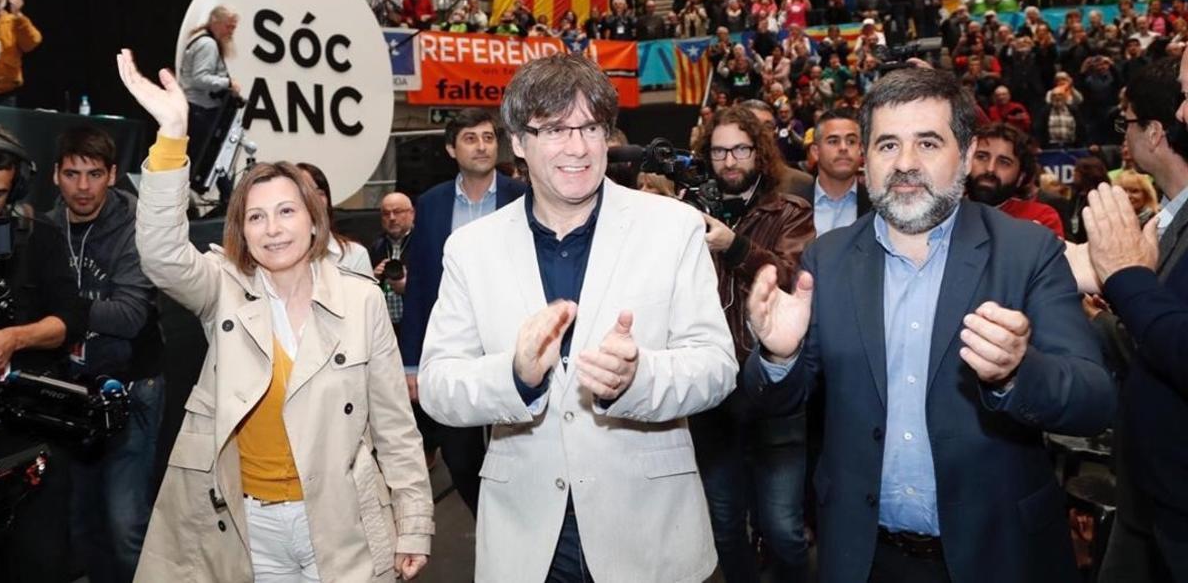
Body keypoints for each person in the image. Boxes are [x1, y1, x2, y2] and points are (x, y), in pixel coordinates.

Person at [743, 68, 1116, 583]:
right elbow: (774, 401)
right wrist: (779, 358)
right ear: (866, 162)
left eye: (928, 142)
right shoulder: (826, 259)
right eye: (887, 144)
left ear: (964, 156)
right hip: (864, 556)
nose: (905, 164)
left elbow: (1094, 400)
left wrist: (1016, 372)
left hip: (999, 552)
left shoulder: (1026, 251)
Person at [116, 49, 432, 581]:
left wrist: (415, 520)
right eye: (256, 217)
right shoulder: (223, 290)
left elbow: (395, 425)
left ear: (314, 220)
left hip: (341, 522)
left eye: (287, 211)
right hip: (247, 527)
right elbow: (162, 253)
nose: (273, 228)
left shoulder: (361, 300)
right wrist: (172, 134)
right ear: (241, 231)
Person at [418, 53, 737, 582]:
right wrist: (514, 376)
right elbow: (437, 385)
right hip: (526, 539)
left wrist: (639, 377)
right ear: (518, 142)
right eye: (555, 130)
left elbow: (716, 366)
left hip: (651, 534)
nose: (578, 147)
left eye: (591, 127)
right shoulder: (471, 249)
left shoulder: (673, 228)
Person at [689, 105, 814, 582]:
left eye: (740, 149)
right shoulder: (689, 210)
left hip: (772, 386)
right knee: (723, 523)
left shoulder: (790, 210)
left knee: (783, 528)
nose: (730, 161)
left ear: (759, 153)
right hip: (712, 392)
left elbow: (793, 278)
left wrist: (733, 246)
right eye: (719, 151)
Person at [1080, 55, 1188, 582]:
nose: (1186, 110)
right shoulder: (1164, 214)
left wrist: (1125, 284)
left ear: (1154, 131)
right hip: (1149, 486)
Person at [47, 126, 164, 583]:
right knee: (81, 523)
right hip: (71, 391)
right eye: (72, 173)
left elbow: (131, 315)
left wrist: (60, 314)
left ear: (112, 175)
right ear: (56, 175)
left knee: (125, 523)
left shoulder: (136, 225)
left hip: (133, 385)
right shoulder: (47, 225)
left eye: (94, 174)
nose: (82, 187)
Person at [399, 107, 526, 516]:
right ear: (452, 148)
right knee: (461, 456)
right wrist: (412, 363)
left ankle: (521, 531)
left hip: (513, 345)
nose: (482, 146)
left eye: (489, 137)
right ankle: (488, 518)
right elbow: (419, 287)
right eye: (471, 138)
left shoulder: (523, 197)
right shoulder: (432, 204)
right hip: (455, 346)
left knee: (521, 450)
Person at [0, 125, 88, 583]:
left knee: (38, 563)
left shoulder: (37, 236)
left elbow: (71, 319)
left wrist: (15, 339)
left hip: (28, 437)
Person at [965, 123, 1065, 238]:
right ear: (966, 161)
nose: (990, 168)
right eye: (982, 157)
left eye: (1004, 162)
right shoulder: (945, 213)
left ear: (1020, 177)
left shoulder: (1040, 218)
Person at [179, 5, 241, 183]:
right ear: (217, 22)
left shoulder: (201, 40)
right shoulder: (208, 44)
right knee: (202, 159)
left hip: (197, 108)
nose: (231, 31)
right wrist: (228, 83)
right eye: (229, 26)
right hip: (200, 110)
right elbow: (200, 78)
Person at [295, 162, 373, 277]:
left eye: (320, 193)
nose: (314, 200)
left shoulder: (354, 255)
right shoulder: (277, 255)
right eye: (306, 193)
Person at [811, 108, 871, 236]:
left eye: (851, 141)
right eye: (833, 141)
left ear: (861, 150)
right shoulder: (792, 205)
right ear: (815, 152)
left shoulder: (876, 206)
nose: (843, 148)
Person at [0, 0, 42, 107]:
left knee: (3, 128)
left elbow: (32, 43)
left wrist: (18, 14)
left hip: (7, 95)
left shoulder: (15, 21)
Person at [369, 191, 413, 335]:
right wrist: (373, 277)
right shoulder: (375, 247)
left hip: (415, 325)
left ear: (412, 213)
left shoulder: (424, 243)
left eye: (397, 211)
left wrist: (410, 286)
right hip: (383, 328)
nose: (392, 218)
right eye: (386, 214)